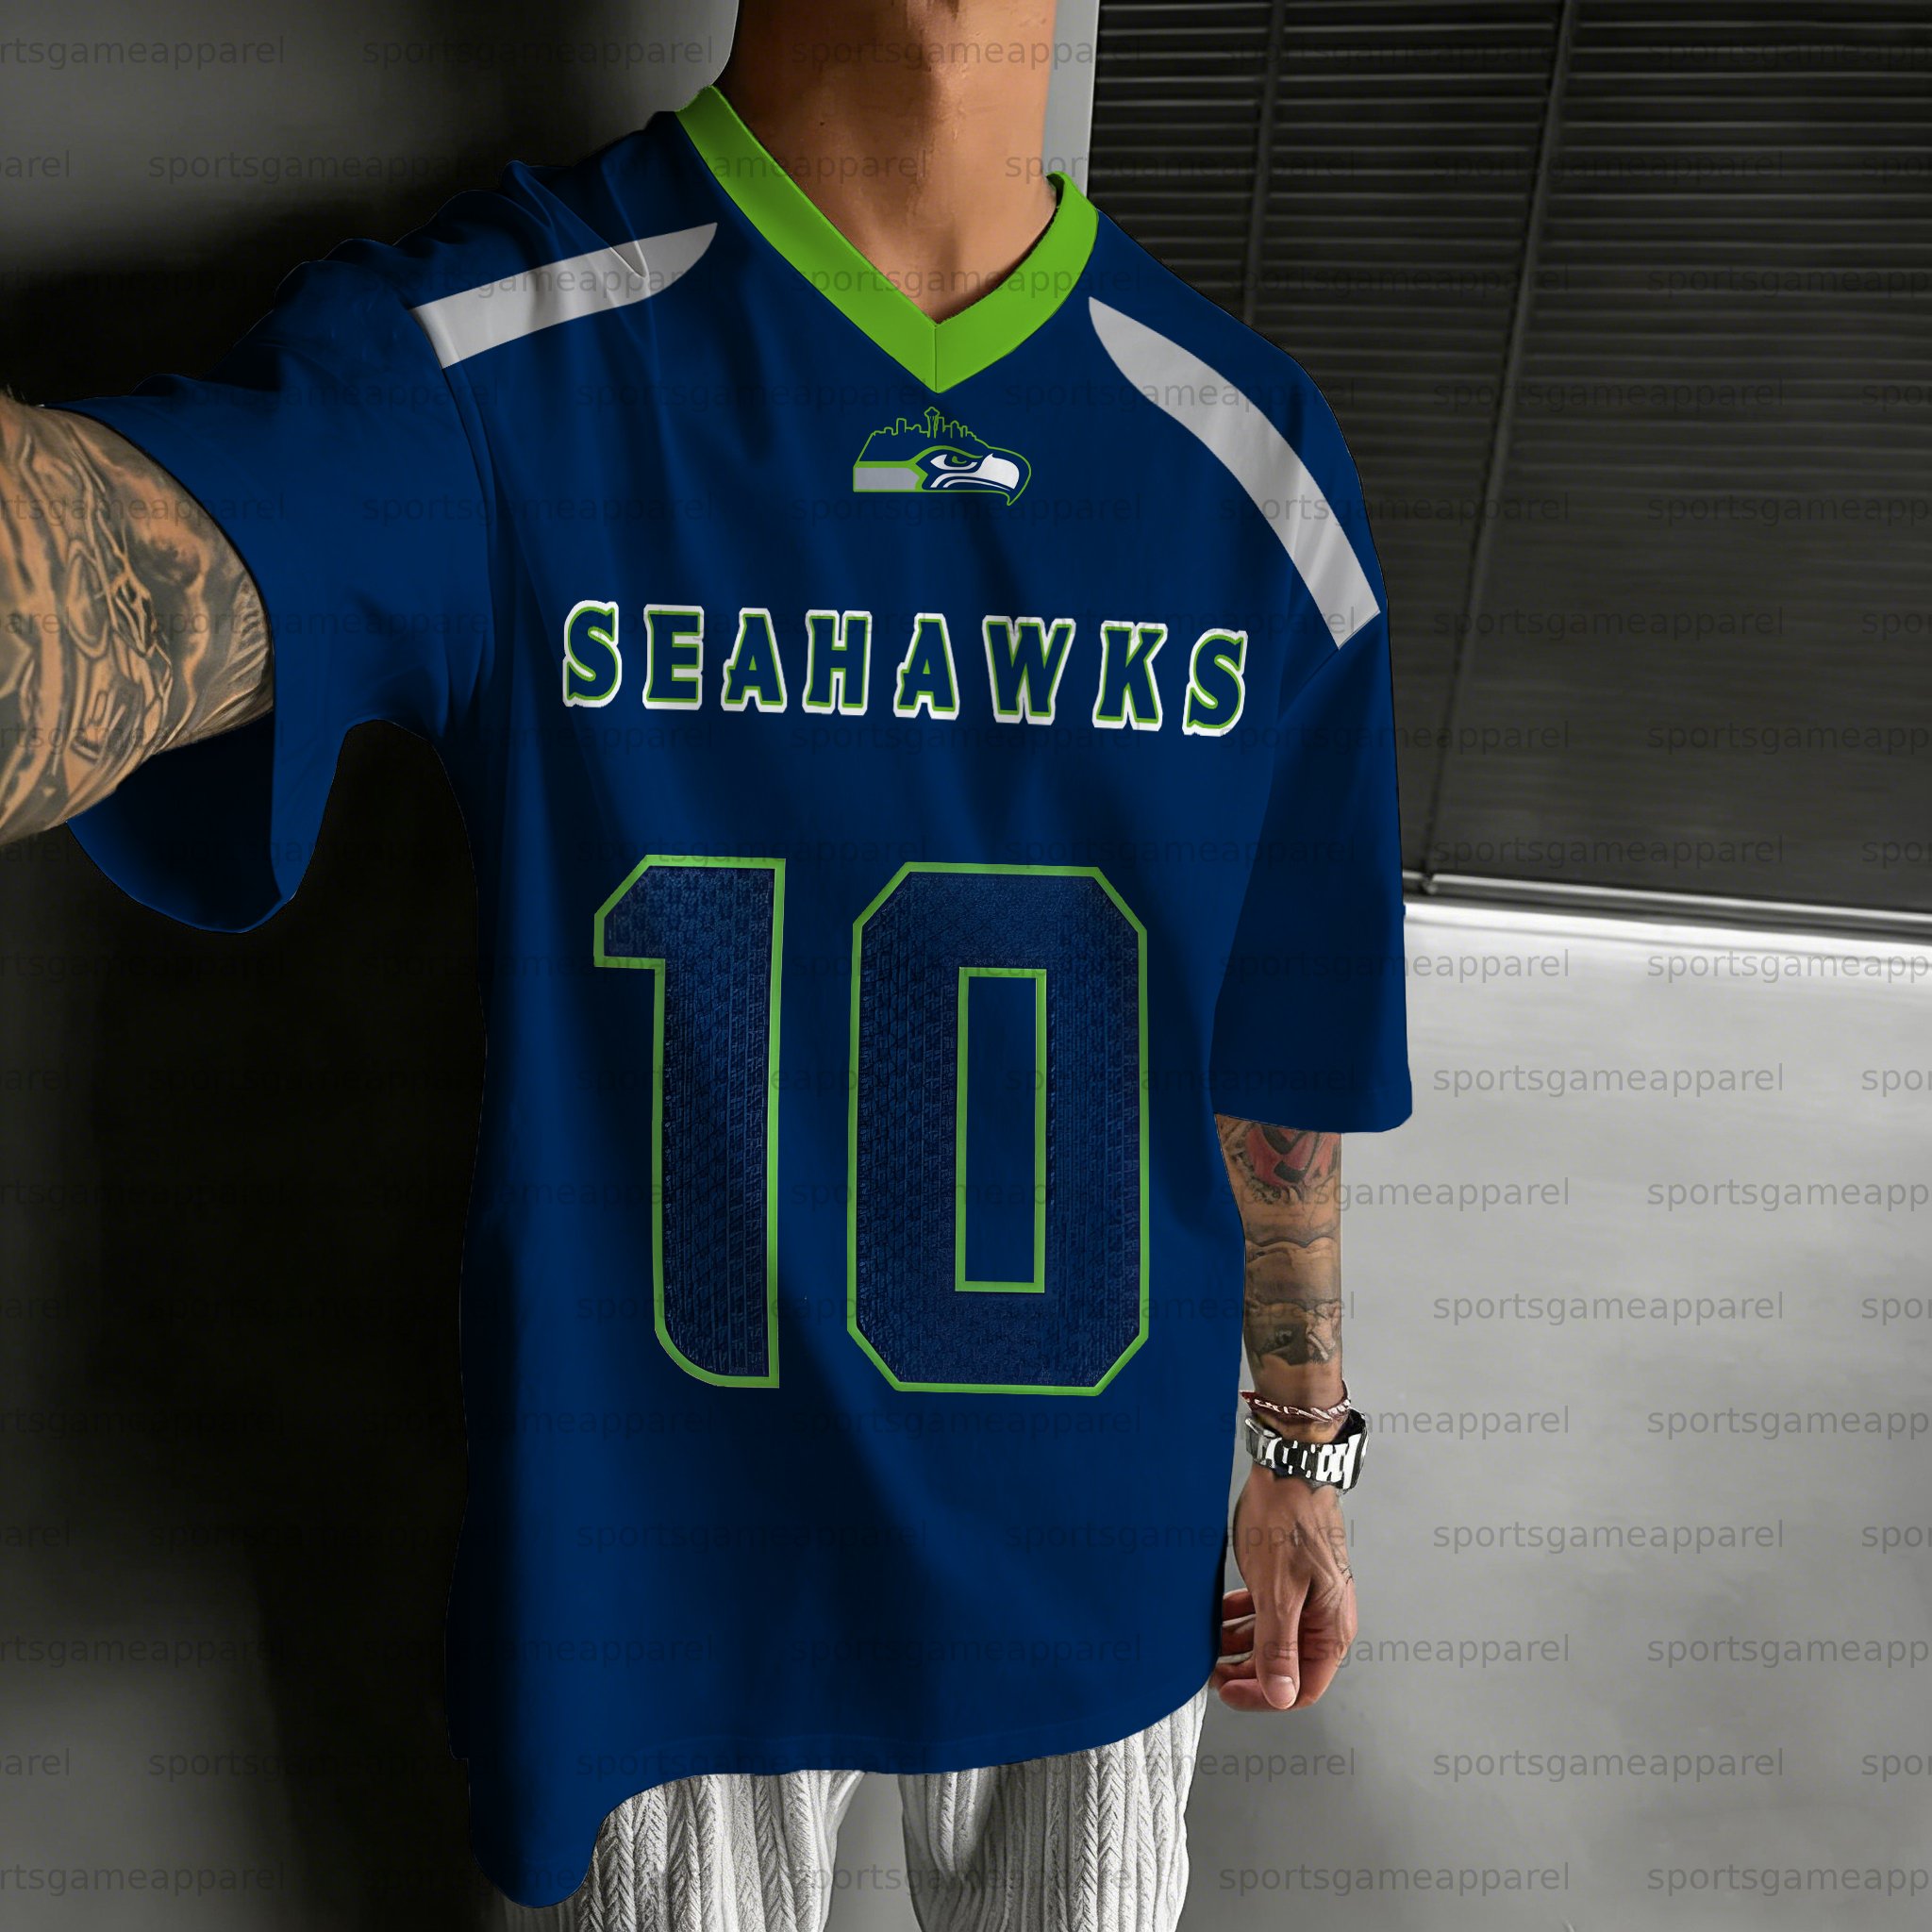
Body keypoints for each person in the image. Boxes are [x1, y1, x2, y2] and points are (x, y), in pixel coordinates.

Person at [0, 2, 1408, 1925]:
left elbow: (1276, 1055)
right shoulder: (499, 363)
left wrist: (1305, 1447)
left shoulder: (1259, 473)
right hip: (677, 1589)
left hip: (1097, 1561)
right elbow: (105, 574)